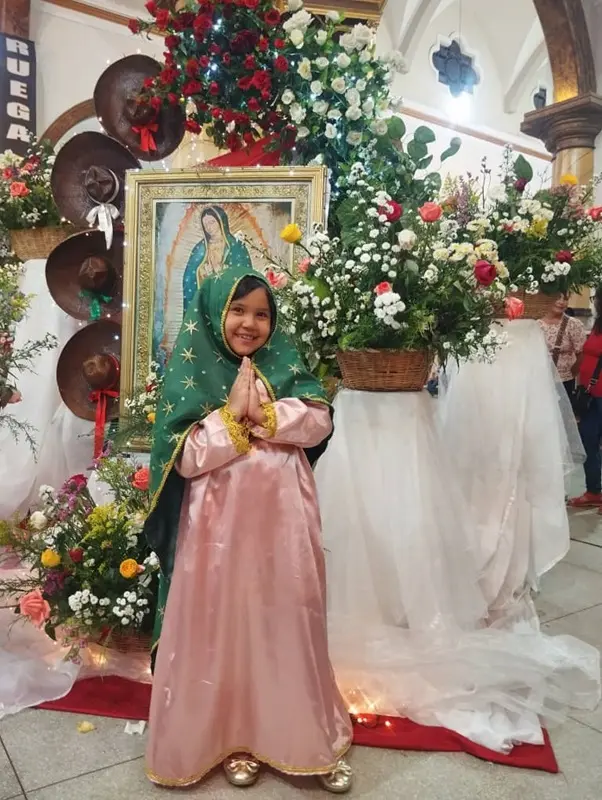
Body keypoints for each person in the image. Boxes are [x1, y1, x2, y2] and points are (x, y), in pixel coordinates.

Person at [143, 267, 353, 792]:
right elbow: (183, 458)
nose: (249, 323)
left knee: (286, 618)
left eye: (262, 314)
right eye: (238, 310)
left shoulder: (284, 362)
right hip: (216, 533)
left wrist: (269, 416)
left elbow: (320, 421)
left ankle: (303, 736)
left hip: (284, 528)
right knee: (224, 623)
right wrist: (230, 418)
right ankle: (231, 737)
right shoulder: (190, 371)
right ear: (214, 313)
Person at [181, 206, 254, 313]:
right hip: (208, 301)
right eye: (205, 225)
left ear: (221, 221)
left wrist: (225, 272)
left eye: (212, 222)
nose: (209, 227)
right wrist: (203, 274)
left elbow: (246, 275)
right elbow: (189, 278)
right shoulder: (200, 249)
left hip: (231, 302)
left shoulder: (236, 246)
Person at [568, 285, 602, 509]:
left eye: (596, 298)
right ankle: (593, 491)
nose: (594, 302)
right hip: (591, 395)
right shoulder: (597, 324)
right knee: (588, 441)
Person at [539, 294, 586, 396]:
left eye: (565, 299)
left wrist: (572, 373)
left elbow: (582, 353)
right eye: (557, 298)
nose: (561, 302)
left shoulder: (573, 324)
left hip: (564, 381)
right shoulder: (536, 323)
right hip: (539, 379)